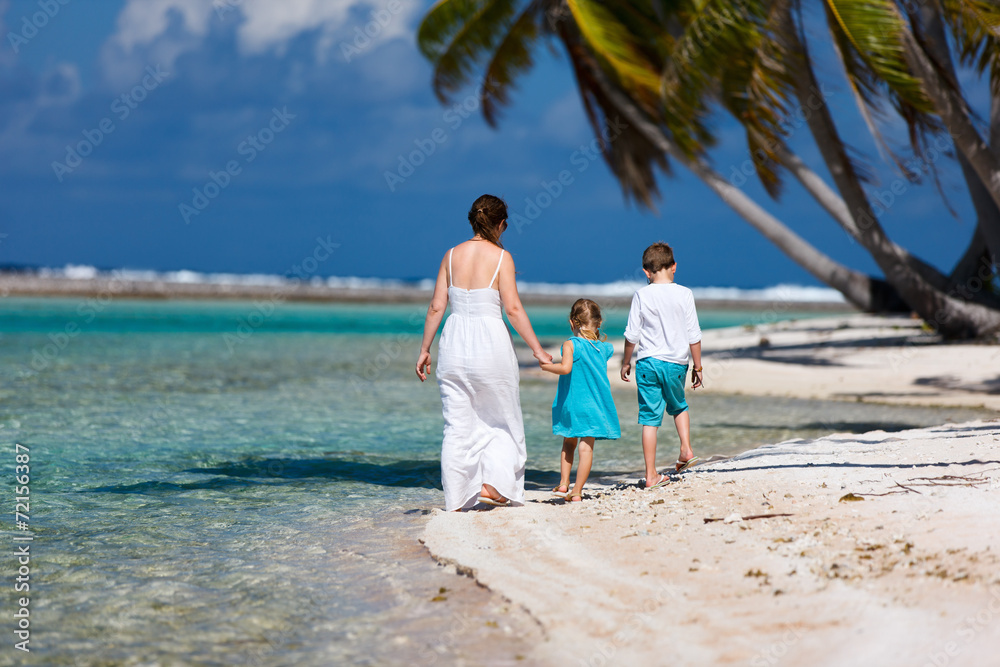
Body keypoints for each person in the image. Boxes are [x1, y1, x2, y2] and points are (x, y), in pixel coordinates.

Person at [416, 194, 553, 511]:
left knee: (457, 425)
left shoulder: (451, 256)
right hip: (490, 344)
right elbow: (514, 309)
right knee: (503, 418)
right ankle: (493, 485)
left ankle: (457, 498)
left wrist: (424, 349)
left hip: (453, 344)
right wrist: (538, 350)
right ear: (501, 224)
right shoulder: (502, 258)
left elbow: (437, 306)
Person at [620, 242, 703, 489]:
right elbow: (694, 335)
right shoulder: (685, 294)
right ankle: (686, 449)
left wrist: (626, 362)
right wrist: (698, 367)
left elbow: (631, 335)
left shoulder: (641, 295)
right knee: (679, 406)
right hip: (676, 363)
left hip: (647, 363)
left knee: (649, 419)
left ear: (646, 271)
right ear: (674, 266)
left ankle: (651, 475)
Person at [539, 299, 620, 502]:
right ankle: (577, 491)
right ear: (598, 323)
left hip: (573, 405)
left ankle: (564, 482)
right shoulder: (605, 348)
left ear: (572, 323)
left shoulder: (570, 344)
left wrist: (547, 366)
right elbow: (605, 350)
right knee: (586, 448)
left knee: (569, 443)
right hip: (596, 406)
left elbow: (565, 368)